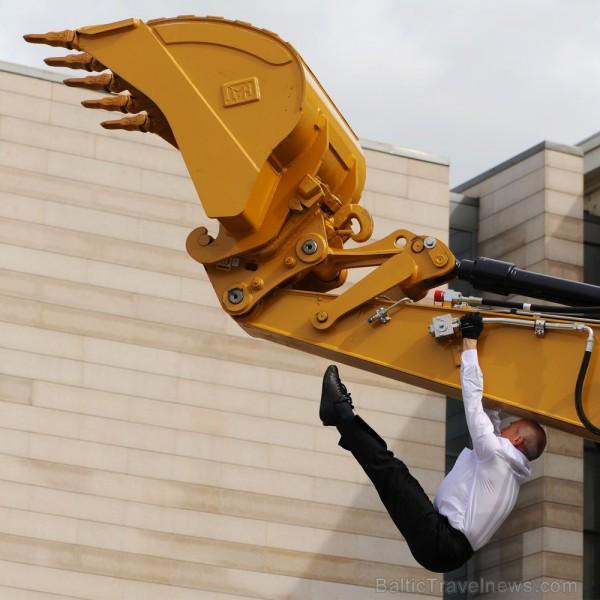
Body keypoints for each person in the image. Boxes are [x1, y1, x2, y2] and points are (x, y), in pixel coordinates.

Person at [319, 313, 546, 573]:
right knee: (392, 476)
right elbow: (487, 419)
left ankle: (340, 414)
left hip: (442, 541)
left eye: (510, 427)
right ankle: (342, 420)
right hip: (447, 548)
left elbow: (474, 404)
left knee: (392, 473)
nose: (503, 427)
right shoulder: (509, 469)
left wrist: (470, 343)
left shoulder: (496, 455)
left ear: (517, 439)